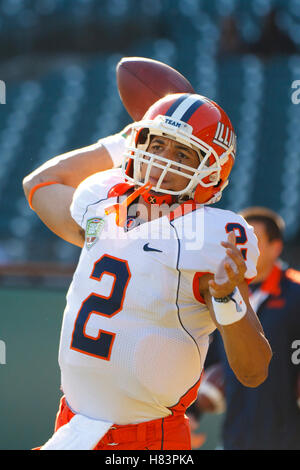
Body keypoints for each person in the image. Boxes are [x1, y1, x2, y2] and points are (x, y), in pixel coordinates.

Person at [23, 93, 272, 450]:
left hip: (147, 441)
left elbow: (253, 371)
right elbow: (39, 183)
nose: (163, 163)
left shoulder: (210, 235)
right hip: (73, 428)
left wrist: (227, 296)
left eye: (182, 154)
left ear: (213, 171)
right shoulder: (103, 198)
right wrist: (118, 142)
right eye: (156, 145)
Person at [199, 206, 300, 450]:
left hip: (287, 437)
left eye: (252, 240)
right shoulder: (219, 290)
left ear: (276, 248)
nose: (244, 248)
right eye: (239, 239)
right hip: (234, 434)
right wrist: (193, 411)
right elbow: (209, 356)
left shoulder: (296, 292)